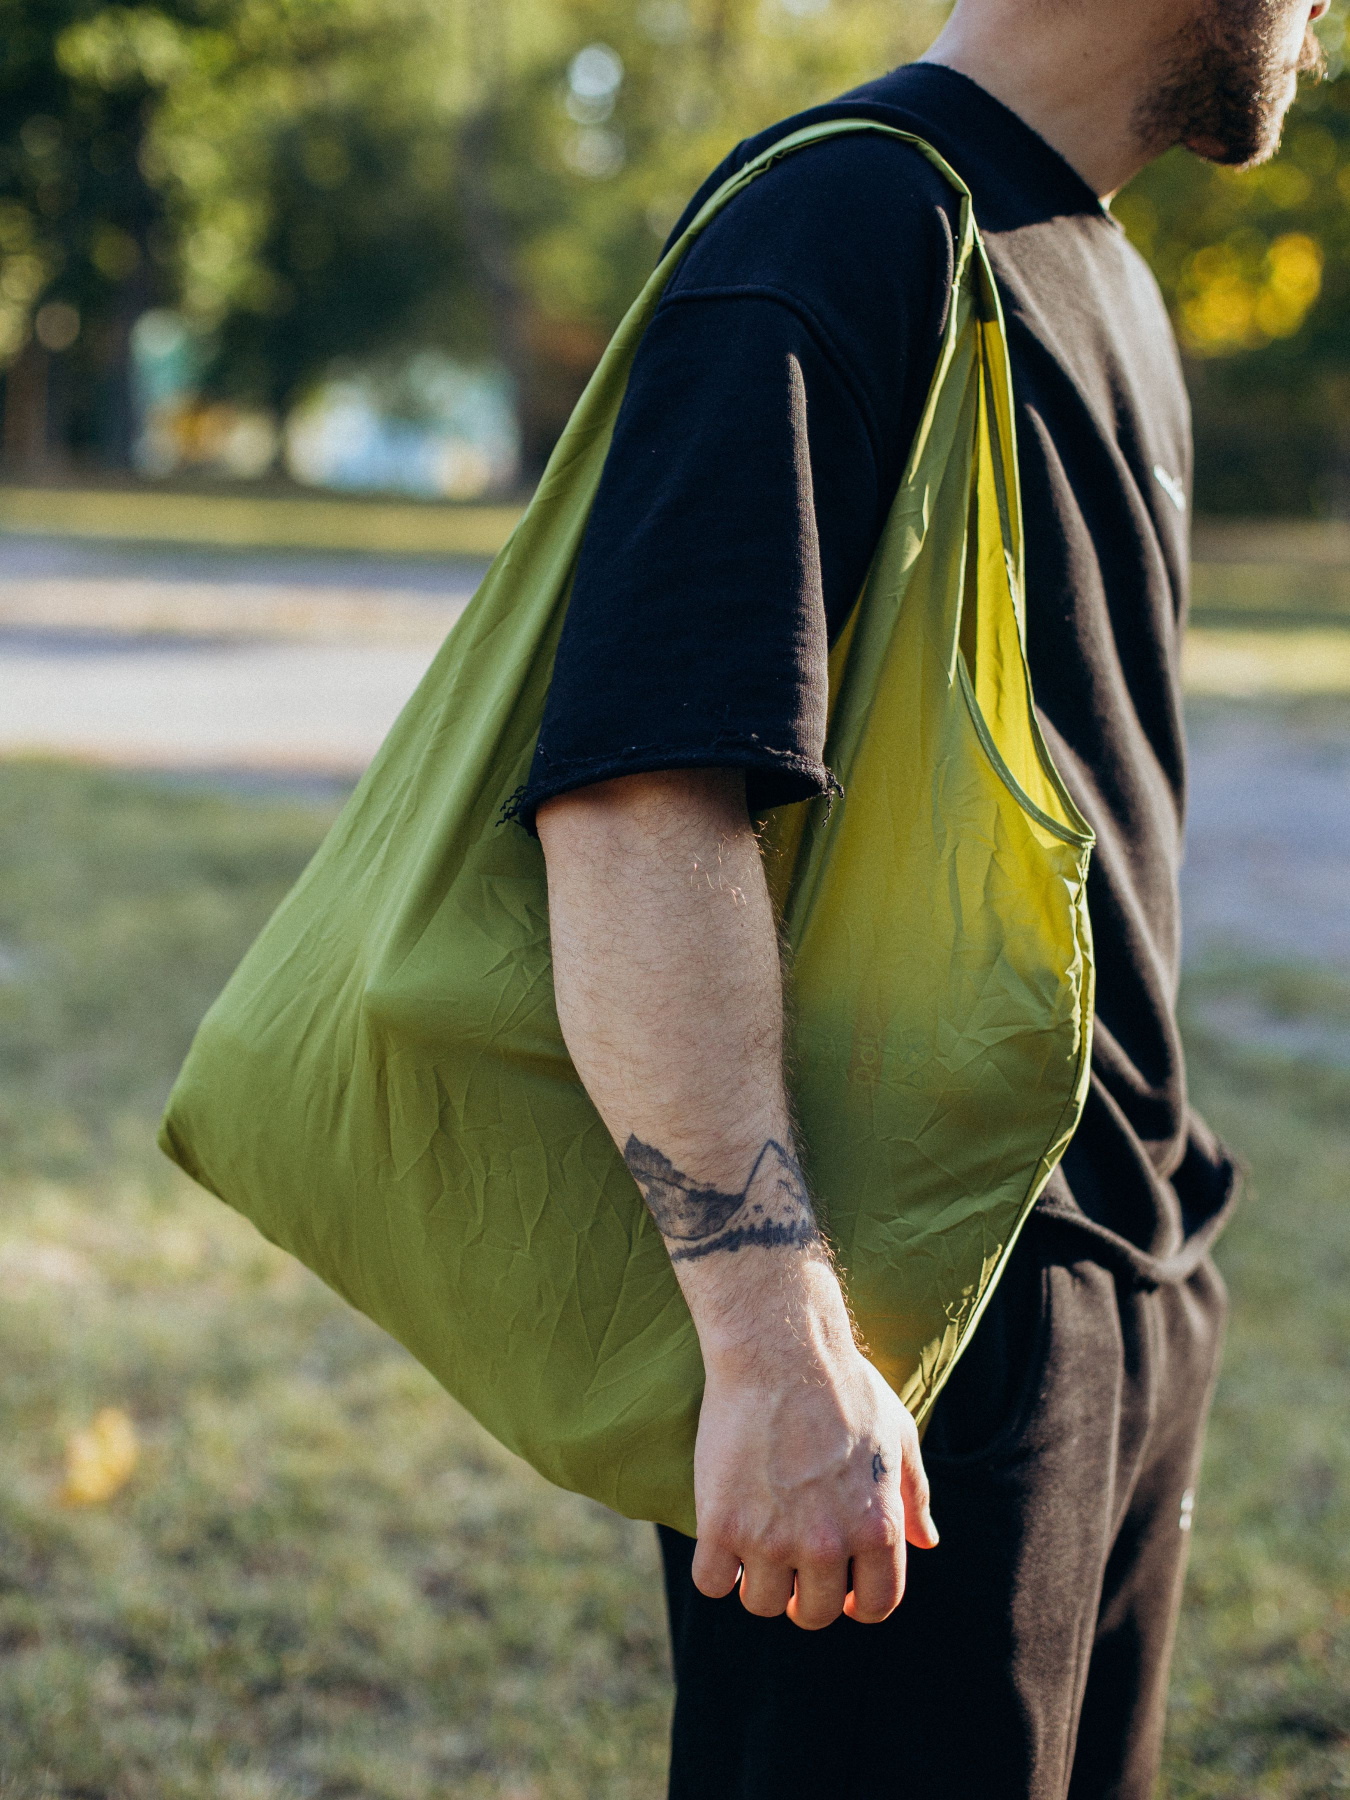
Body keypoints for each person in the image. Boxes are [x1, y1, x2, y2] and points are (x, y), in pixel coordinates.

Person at [511, 1, 1330, 1794]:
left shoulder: (1087, 263)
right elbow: (643, 809)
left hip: (1114, 1292)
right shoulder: (834, 226)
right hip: (905, 1342)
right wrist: (773, 1343)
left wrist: (1149, 1306)